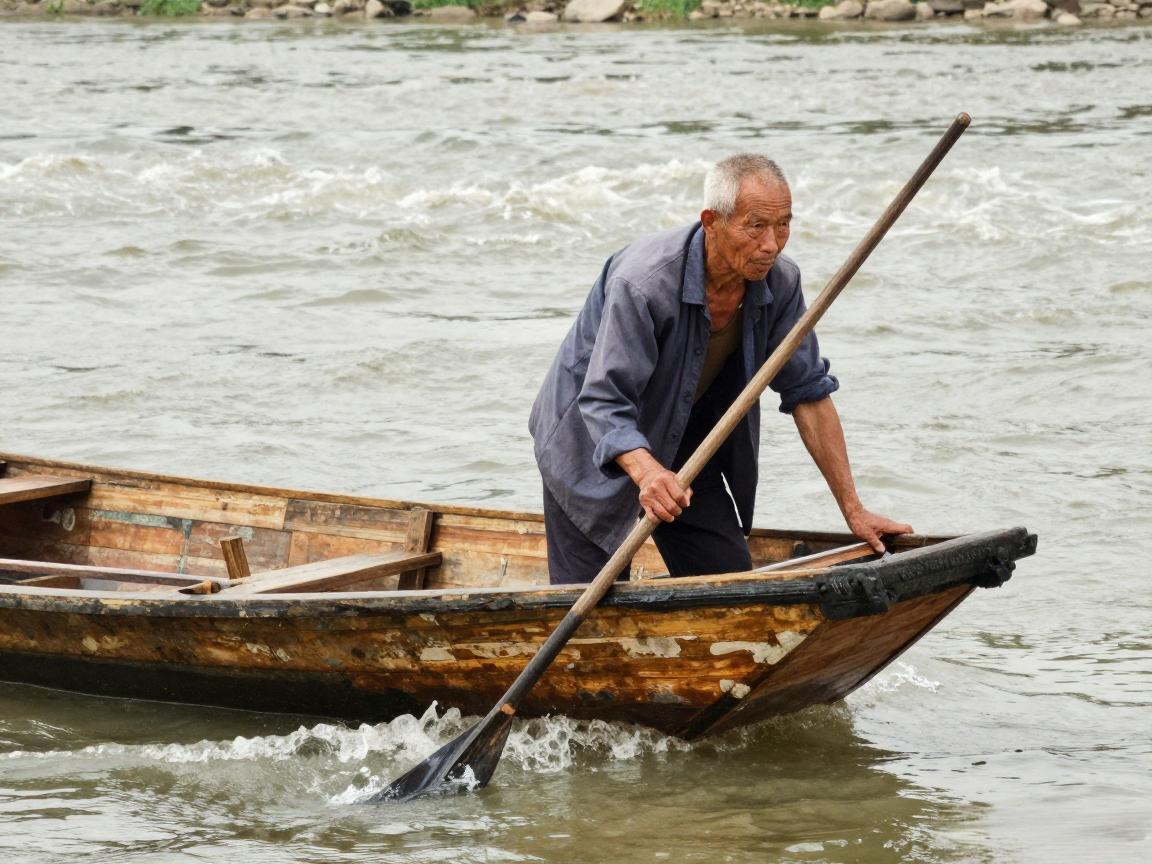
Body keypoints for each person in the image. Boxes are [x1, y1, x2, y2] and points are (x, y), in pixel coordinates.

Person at [528, 154, 912, 585]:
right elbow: (602, 399)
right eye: (756, 226)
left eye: (783, 224)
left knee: (729, 582)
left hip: (683, 436)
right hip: (586, 439)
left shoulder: (779, 283)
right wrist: (648, 472)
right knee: (589, 604)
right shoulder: (644, 284)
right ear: (712, 221)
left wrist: (853, 510)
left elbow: (809, 394)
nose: (772, 244)